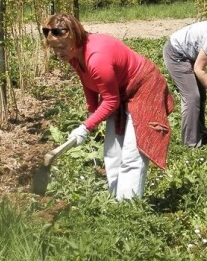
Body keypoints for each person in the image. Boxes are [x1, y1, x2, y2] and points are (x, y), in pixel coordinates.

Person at [41, 13, 174, 200]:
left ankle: (128, 207)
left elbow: (111, 101)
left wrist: (86, 127)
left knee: (132, 152)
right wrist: (92, 112)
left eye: (61, 47)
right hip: (119, 89)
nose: (58, 53)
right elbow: (87, 81)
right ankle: (115, 198)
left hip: (143, 87)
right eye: (54, 48)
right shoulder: (74, 54)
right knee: (112, 149)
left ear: (75, 37)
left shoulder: (97, 58)